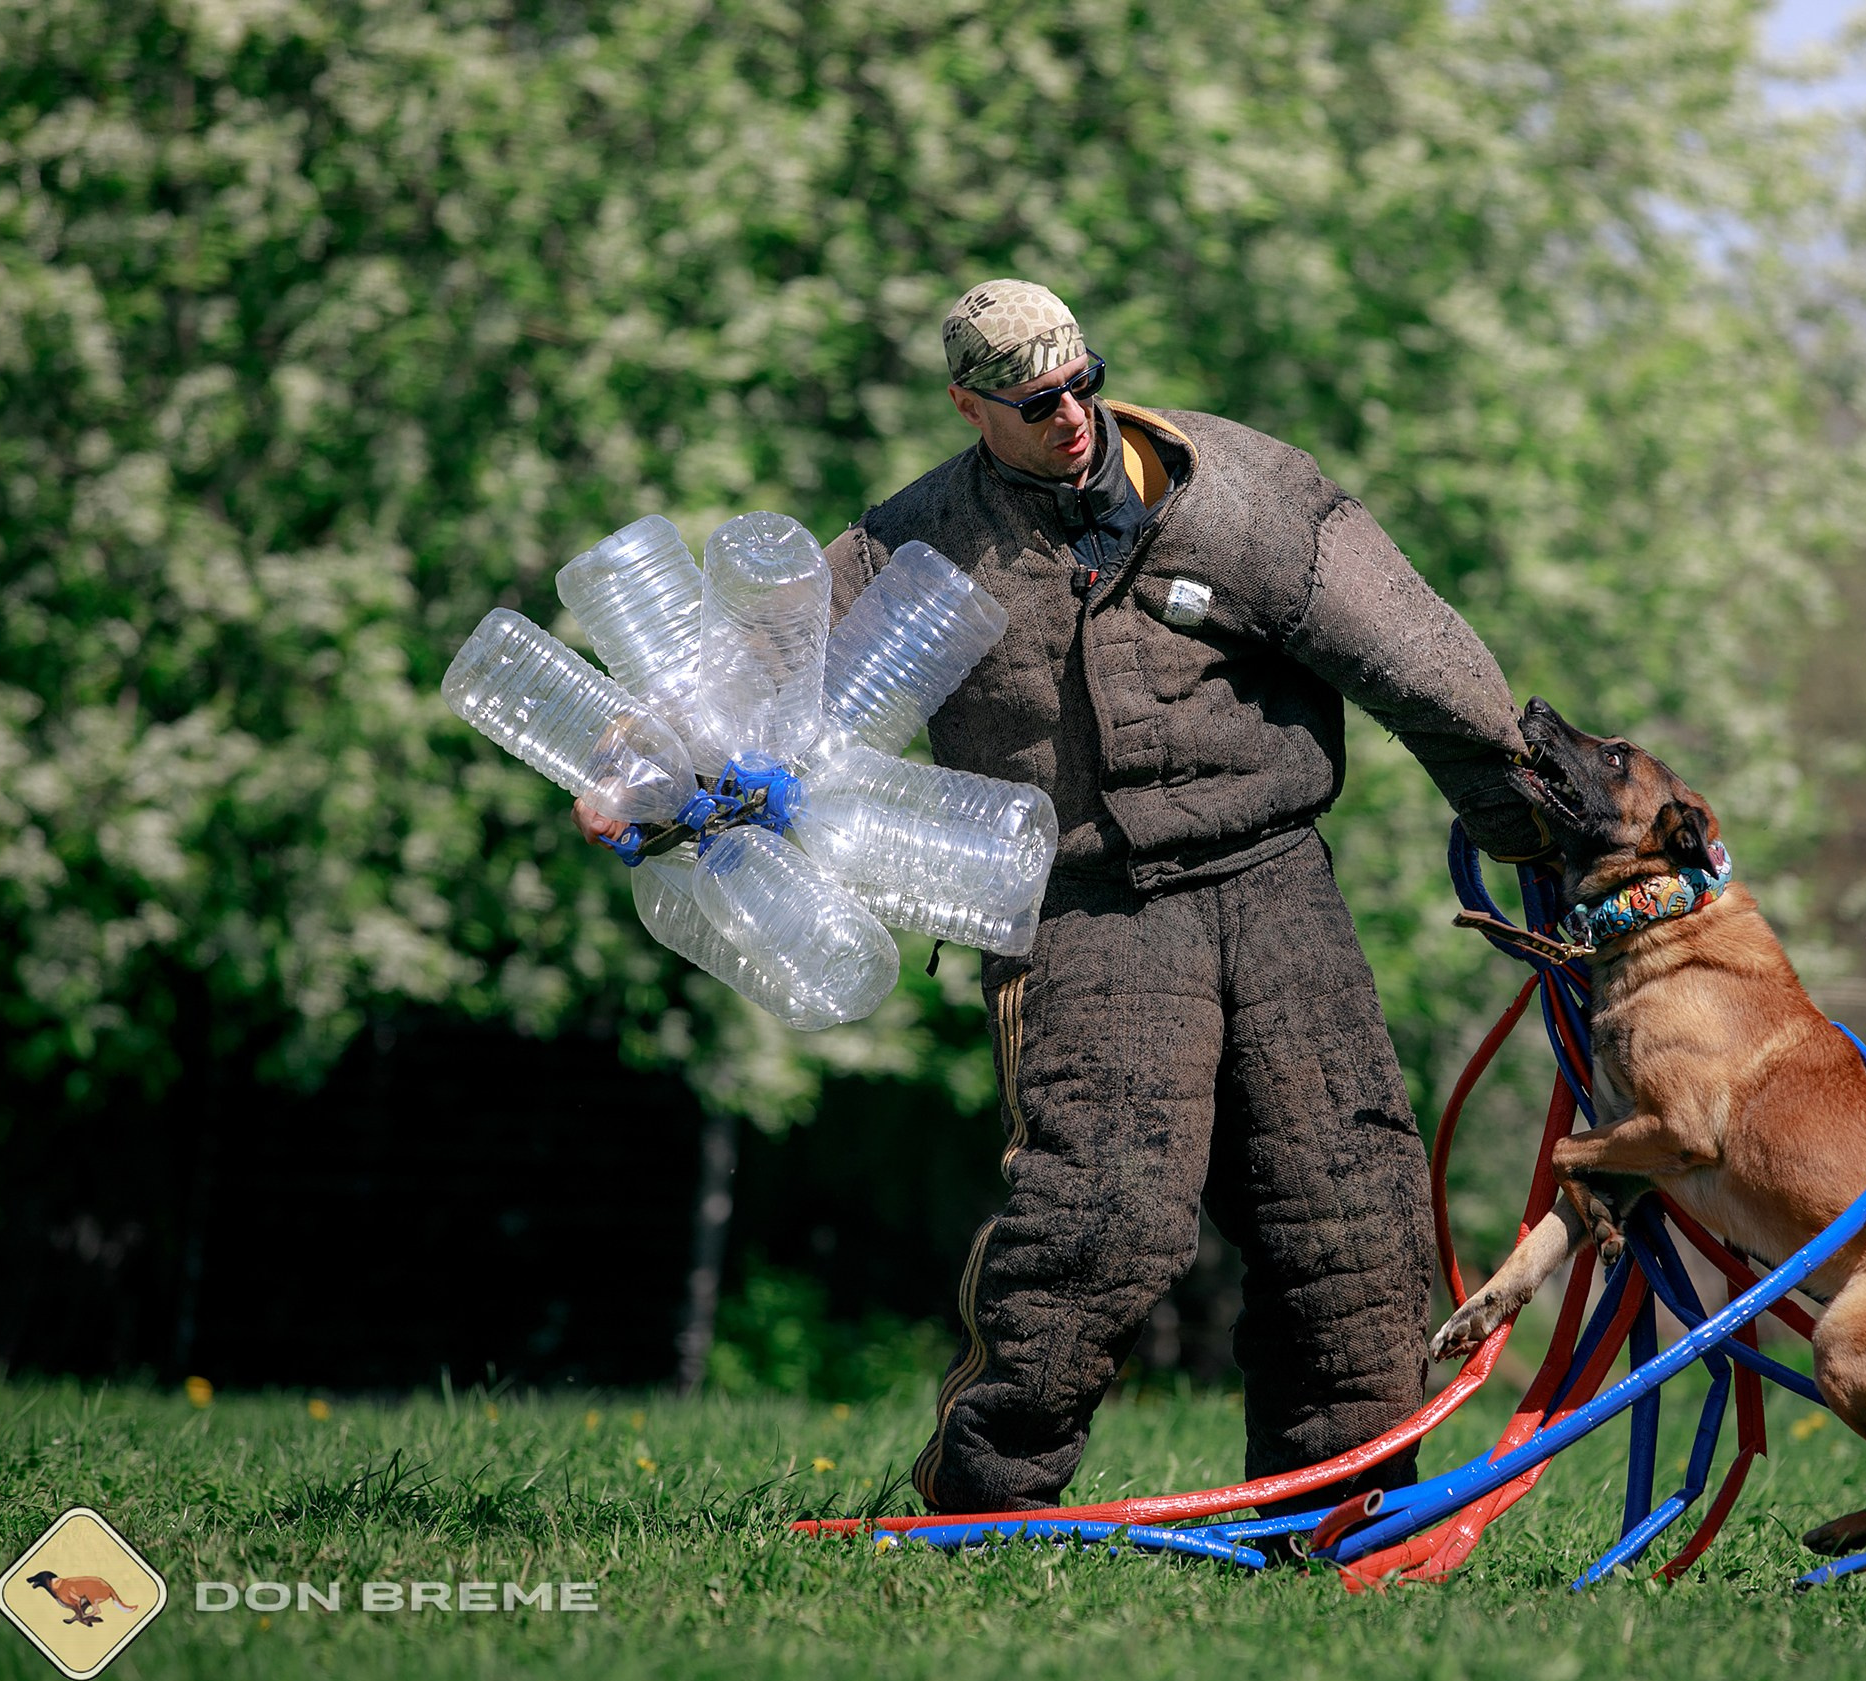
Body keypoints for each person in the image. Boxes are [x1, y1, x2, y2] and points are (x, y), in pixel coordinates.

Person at [596, 280, 1544, 1513]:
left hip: (1273, 883)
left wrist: (1540, 831)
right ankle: (982, 1508)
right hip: (1081, 910)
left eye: (1082, 384)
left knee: (1349, 1217)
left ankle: (1340, 1523)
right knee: (1101, 1220)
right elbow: (755, 670)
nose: (1072, 416)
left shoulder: (1250, 498)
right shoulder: (911, 542)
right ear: (969, 407)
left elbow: (1423, 664)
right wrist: (643, 766)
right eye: (1037, 402)